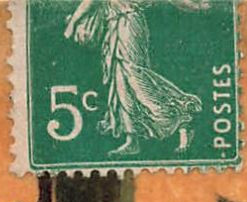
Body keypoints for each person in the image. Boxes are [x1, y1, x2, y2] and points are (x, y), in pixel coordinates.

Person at [63, 0, 204, 156]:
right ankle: (132, 140)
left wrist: (73, 23)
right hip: (114, 24)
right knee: (120, 80)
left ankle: (180, 118)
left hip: (129, 23)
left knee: (134, 78)